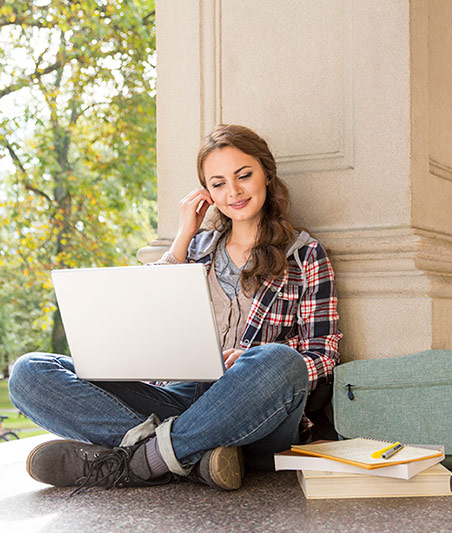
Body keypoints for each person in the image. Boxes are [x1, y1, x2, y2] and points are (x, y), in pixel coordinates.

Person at [8, 124, 342, 493]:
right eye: (218, 184)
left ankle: (138, 461)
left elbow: (323, 354)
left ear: (266, 173)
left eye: (244, 175)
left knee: (279, 362)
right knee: (29, 372)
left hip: (256, 409)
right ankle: (193, 458)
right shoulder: (197, 248)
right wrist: (183, 236)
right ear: (207, 192)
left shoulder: (305, 254)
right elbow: (142, 321)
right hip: (182, 398)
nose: (233, 191)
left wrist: (250, 357)